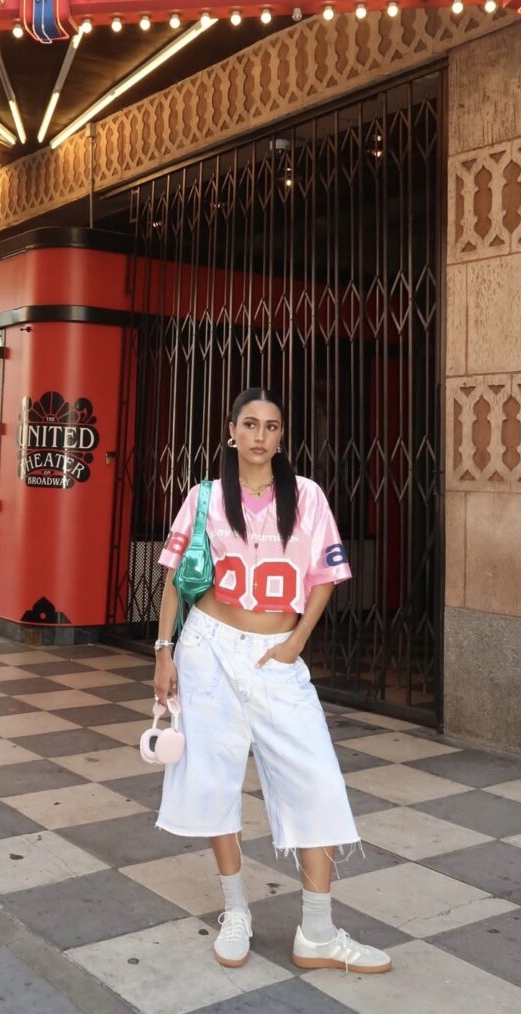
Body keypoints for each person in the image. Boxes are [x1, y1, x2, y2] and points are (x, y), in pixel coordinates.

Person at [153, 387, 391, 974]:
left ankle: (317, 931)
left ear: (282, 437)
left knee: (314, 778)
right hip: (207, 647)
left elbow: (326, 576)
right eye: (251, 424)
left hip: (276, 656)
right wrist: (164, 653)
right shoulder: (205, 497)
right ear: (231, 432)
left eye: (273, 426)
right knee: (212, 780)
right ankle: (236, 912)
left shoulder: (305, 496)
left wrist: (296, 643)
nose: (262, 435)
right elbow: (173, 575)